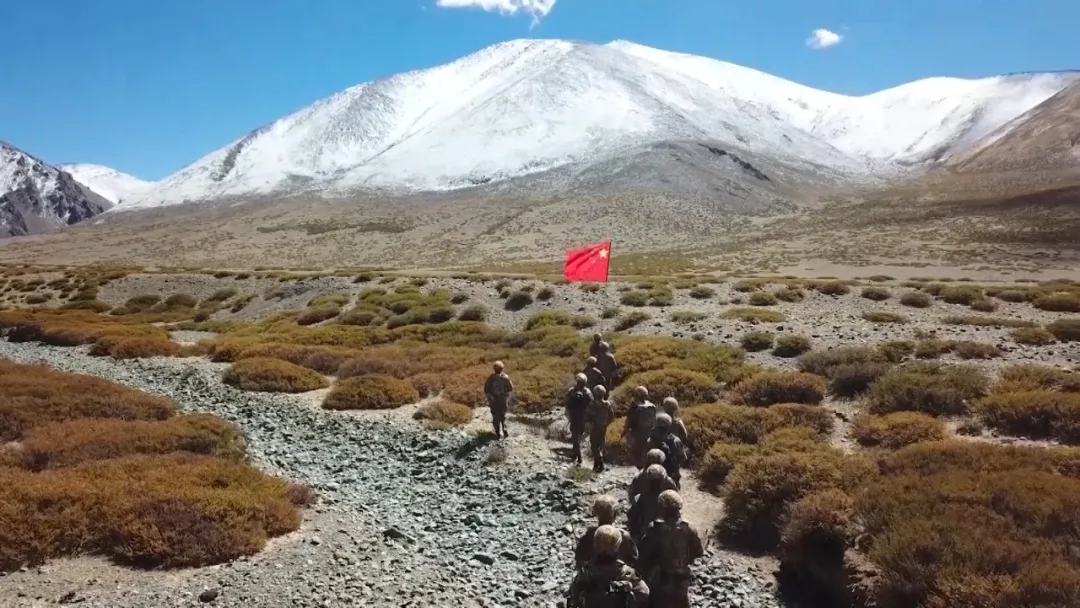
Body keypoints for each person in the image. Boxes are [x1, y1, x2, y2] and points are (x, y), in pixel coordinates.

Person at [638, 490, 705, 608]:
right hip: (682, 578)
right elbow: (699, 552)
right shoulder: (688, 527)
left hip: (661, 578)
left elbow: (644, 553)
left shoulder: (654, 528)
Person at [567, 525, 650, 608]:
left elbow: (574, 597)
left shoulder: (585, 572)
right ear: (617, 546)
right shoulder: (627, 572)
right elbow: (644, 592)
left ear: (596, 545)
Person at [575, 495, 638, 569]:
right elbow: (634, 558)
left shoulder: (588, 535)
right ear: (614, 514)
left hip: (593, 576)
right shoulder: (623, 535)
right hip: (618, 575)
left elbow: (579, 560)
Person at [627, 464, 677, 541]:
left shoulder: (639, 498)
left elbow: (631, 516)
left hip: (645, 535)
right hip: (666, 538)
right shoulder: (669, 498)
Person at [649, 413, 687, 489]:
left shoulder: (651, 441)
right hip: (672, 476)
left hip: (653, 475)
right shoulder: (675, 440)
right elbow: (682, 458)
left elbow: (644, 458)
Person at [621, 386, 657, 468]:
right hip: (649, 433)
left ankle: (641, 470)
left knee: (635, 453)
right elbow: (654, 421)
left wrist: (624, 432)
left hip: (637, 434)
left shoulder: (635, 406)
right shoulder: (652, 406)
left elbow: (629, 421)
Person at [565, 373, 594, 466]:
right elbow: (591, 404)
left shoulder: (571, 391)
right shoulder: (588, 392)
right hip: (583, 417)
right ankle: (576, 453)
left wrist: (569, 414)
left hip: (574, 416)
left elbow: (567, 403)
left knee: (574, 436)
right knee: (578, 436)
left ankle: (578, 456)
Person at [587, 385, 616, 472]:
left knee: (594, 446)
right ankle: (599, 464)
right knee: (600, 445)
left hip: (595, 427)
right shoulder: (607, 404)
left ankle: (598, 464)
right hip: (603, 427)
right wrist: (606, 424)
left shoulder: (592, 404)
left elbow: (587, 416)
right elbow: (612, 416)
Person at [484, 361, 514, 439]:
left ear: (494, 369)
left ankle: (498, 434)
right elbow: (510, 388)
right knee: (503, 416)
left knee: (495, 417)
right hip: (503, 400)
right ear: (502, 368)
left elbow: (486, 390)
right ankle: (505, 432)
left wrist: (491, 397)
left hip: (493, 401)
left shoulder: (491, 378)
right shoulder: (505, 377)